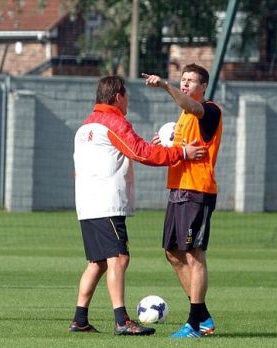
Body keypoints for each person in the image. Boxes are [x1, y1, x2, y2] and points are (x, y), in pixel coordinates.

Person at [69, 75, 206, 336]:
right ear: (118, 97)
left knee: (97, 263)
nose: (128, 101)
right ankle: (122, 321)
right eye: (127, 96)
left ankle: (80, 319)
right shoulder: (113, 122)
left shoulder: (84, 127)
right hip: (106, 203)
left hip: (86, 203)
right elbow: (142, 152)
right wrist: (182, 153)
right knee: (119, 258)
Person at [143, 63, 223, 338]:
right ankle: (203, 316)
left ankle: (193, 324)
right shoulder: (184, 116)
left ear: (203, 87)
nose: (186, 83)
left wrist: (166, 86)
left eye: (191, 81)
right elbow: (182, 148)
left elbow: (193, 108)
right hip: (177, 189)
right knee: (172, 253)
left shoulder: (209, 110)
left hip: (197, 191)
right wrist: (166, 145)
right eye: (183, 79)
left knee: (193, 254)